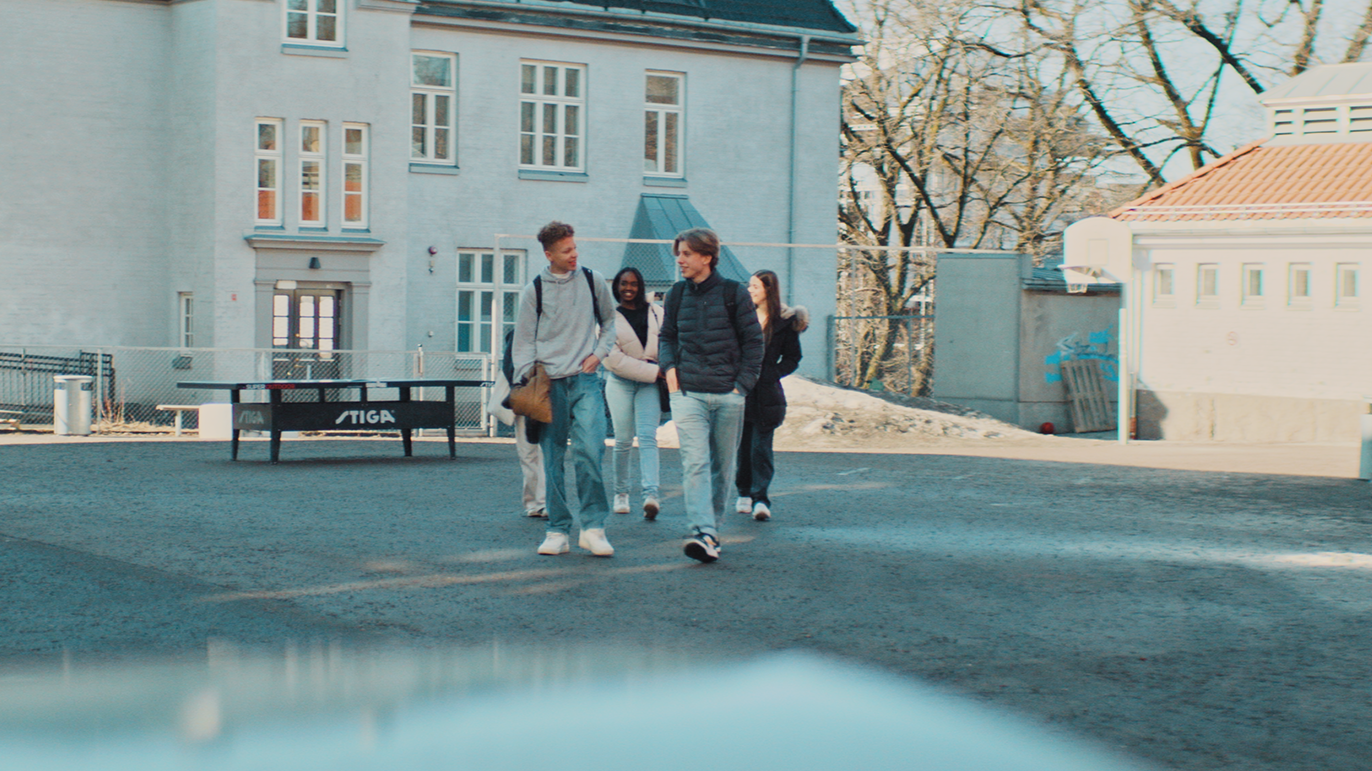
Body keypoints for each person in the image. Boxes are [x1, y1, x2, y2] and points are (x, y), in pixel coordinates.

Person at [512, 221, 618, 557]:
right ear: (549, 254)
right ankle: (557, 530)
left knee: (590, 450)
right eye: (566, 250)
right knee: (552, 456)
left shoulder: (592, 280)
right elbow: (524, 339)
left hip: (585, 380)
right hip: (547, 384)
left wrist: (599, 354)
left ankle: (593, 527)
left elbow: (610, 322)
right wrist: (528, 377)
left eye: (575, 248)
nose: (574, 254)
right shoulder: (534, 291)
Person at [658, 228, 764, 563]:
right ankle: (702, 530)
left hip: (728, 395)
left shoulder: (734, 293)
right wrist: (671, 373)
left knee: (722, 467)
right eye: (679, 253)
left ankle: (711, 532)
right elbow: (667, 338)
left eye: (687, 254)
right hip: (688, 394)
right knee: (695, 464)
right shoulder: (675, 295)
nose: (680, 260)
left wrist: (741, 386)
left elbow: (753, 344)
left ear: (707, 256)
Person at [734, 270, 807, 522]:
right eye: (749, 285)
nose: (750, 290)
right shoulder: (742, 317)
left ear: (768, 290)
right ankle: (743, 492)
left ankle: (761, 498)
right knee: (743, 446)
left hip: (766, 394)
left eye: (755, 286)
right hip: (741, 390)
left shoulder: (783, 323)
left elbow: (793, 358)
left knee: (760, 447)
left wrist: (771, 373)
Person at [602, 267, 664, 521]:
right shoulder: (608, 318)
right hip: (621, 382)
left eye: (634, 284)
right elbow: (613, 360)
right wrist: (655, 372)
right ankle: (621, 494)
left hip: (649, 383)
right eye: (623, 284)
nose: (628, 288)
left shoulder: (658, 313)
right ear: (616, 287)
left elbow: (669, 343)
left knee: (648, 437)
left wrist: (661, 371)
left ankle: (651, 494)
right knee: (623, 440)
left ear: (641, 286)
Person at [487, 326, 546, 519]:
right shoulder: (524, 332)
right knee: (536, 452)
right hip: (536, 393)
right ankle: (540, 502)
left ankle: (537, 503)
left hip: (532, 393)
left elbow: (509, 365)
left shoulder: (519, 331)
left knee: (530, 453)